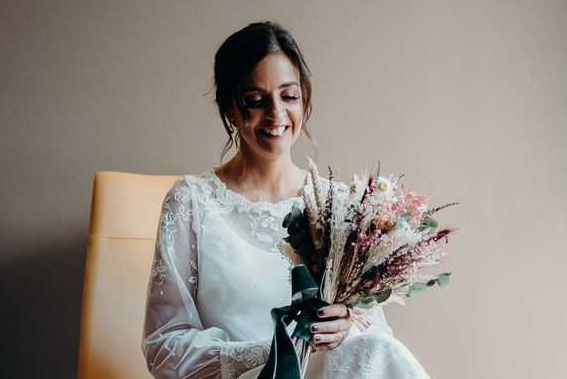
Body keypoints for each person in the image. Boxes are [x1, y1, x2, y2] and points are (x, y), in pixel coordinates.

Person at [141, 21, 430, 378]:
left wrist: (347, 325)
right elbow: (165, 345)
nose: (276, 114)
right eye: (256, 101)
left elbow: (375, 338)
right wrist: (277, 350)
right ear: (230, 108)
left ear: (304, 98)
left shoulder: (336, 205)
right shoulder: (191, 202)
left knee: (379, 349)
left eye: (289, 96)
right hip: (249, 375)